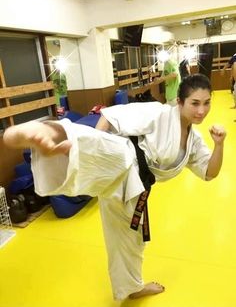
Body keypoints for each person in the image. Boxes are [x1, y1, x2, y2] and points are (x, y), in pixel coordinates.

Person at [3, 74, 226, 301]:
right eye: (195, 103)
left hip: (137, 189)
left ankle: (130, 288)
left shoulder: (194, 141)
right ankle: (51, 132)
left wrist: (219, 144)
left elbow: (210, 172)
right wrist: (94, 142)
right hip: (123, 158)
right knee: (115, 153)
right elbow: (110, 115)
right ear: (180, 101)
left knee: (130, 241)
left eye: (206, 103)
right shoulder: (158, 112)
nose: (201, 110)